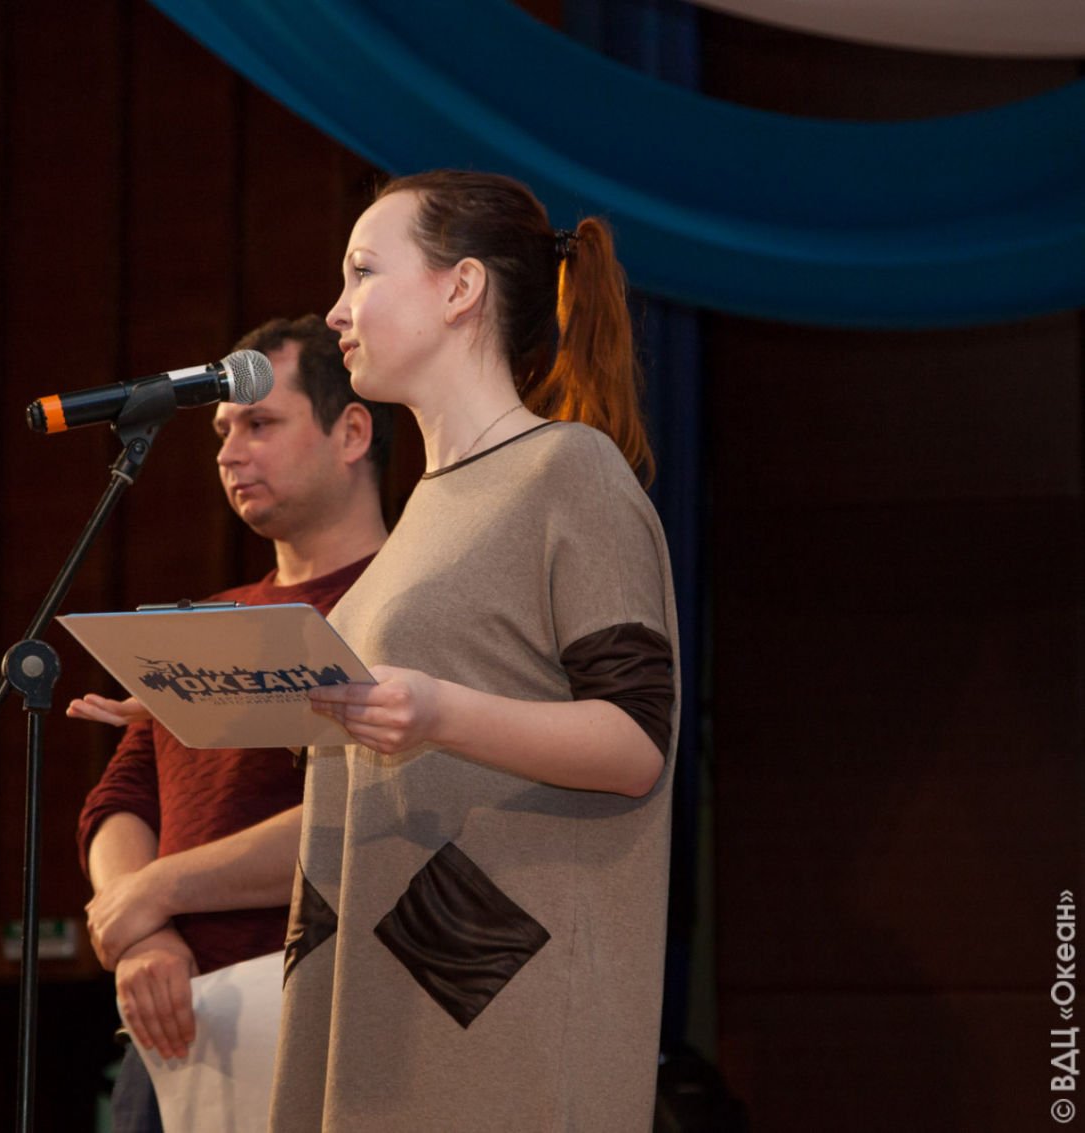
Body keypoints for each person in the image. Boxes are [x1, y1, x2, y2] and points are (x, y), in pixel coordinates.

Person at [269, 171, 679, 1132]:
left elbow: (635, 742)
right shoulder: (426, 508)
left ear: (461, 289)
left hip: (492, 1006)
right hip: (378, 988)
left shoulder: (569, 470)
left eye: (363, 272)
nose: (337, 311)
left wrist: (440, 711)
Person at [73, 315, 394, 1133]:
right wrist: (142, 934)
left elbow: (371, 816)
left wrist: (156, 892)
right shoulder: (208, 619)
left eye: (260, 423)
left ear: (352, 432)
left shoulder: (405, 607)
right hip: (171, 1025)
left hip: (328, 1018)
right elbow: (121, 800)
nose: (228, 452)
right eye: (222, 431)